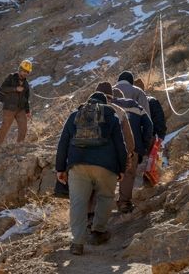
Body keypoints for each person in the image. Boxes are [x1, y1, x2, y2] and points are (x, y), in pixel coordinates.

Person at [56, 92, 127, 255]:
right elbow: (120, 145)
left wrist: (60, 168)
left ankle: (77, 243)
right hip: (106, 166)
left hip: (78, 165)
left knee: (78, 202)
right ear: (104, 104)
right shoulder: (111, 116)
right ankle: (98, 232)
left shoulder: (75, 115)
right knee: (105, 197)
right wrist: (122, 168)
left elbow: (63, 143)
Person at [112, 88, 153, 213]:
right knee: (128, 175)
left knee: (106, 175)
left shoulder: (107, 106)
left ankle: (102, 205)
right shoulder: (135, 105)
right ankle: (124, 203)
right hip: (133, 147)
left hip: (110, 147)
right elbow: (149, 125)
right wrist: (143, 146)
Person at [0, 60, 32, 145]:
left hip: (20, 109)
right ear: (20, 69)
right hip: (9, 108)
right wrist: (15, 89)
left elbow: (26, 99)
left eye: (27, 72)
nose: (25, 73)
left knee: (24, 128)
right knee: (5, 127)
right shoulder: (11, 77)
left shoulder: (26, 84)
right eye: (24, 71)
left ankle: (19, 145)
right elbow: (3, 88)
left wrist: (28, 111)